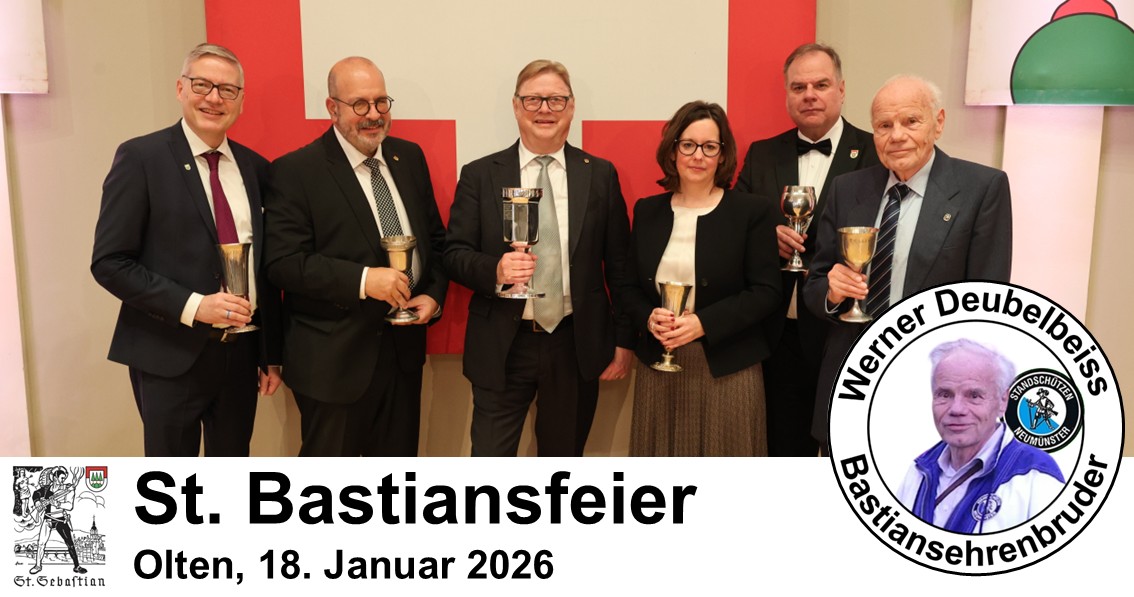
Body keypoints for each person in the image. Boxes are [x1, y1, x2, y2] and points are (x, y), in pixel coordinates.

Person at [91, 43, 282, 457]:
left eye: (227, 90)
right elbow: (110, 262)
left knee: (232, 475)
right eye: (202, 85)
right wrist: (196, 306)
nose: (214, 98)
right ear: (180, 88)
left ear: (241, 101)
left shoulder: (257, 168)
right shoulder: (141, 158)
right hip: (167, 353)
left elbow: (264, 268)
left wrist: (270, 353)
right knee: (172, 481)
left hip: (240, 356)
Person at [803, 75, 1013, 450]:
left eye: (911, 121)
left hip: (929, 385)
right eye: (884, 125)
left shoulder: (982, 189)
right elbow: (815, 284)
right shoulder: (847, 189)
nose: (897, 136)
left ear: (938, 123)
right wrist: (831, 293)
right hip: (850, 381)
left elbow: (988, 301)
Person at [443, 59, 633, 456]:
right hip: (502, 344)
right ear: (516, 106)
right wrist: (495, 269)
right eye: (533, 100)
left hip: (573, 343)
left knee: (562, 463)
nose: (544, 109)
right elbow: (454, 254)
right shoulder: (480, 174)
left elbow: (619, 266)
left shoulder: (600, 175)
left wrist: (623, 339)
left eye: (556, 100)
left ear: (571, 107)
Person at [264, 57, 448, 456]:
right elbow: (283, 263)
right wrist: (364, 281)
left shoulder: (409, 158)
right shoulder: (296, 171)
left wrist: (434, 296)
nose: (374, 115)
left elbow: (435, 240)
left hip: (403, 357)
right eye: (360, 104)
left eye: (381, 102)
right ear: (332, 108)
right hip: (333, 364)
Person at [735, 43, 879, 457]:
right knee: (784, 452)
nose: (809, 95)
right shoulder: (762, 154)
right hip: (779, 333)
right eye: (799, 87)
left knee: (847, 451)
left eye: (821, 85)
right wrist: (766, 237)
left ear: (841, 90)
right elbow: (736, 226)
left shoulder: (875, 152)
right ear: (787, 94)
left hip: (847, 331)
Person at [625, 101, 781, 456]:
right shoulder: (647, 211)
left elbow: (766, 292)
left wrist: (703, 323)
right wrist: (648, 317)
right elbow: (628, 287)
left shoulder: (751, 211)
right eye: (688, 145)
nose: (698, 156)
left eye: (710, 146)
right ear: (672, 150)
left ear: (722, 155)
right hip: (659, 366)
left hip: (728, 370)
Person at [896, 340, 1064, 533]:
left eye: (974, 396)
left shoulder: (1036, 477)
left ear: (1003, 401)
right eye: (945, 394)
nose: (956, 409)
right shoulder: (919, 471)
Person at [29, 467, 85, 575]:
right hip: (48, 519)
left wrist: (57, 504)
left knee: (70, 543)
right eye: (61, 478)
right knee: (41, 543)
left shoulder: (68, 488)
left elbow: (69, 506)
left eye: (64, 478)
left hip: (60, 519)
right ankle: (38, 565)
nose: (63, 480)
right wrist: (37, 502)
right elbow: (36, 494)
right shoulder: (46, 489)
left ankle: (77, 566)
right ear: (55, 477)